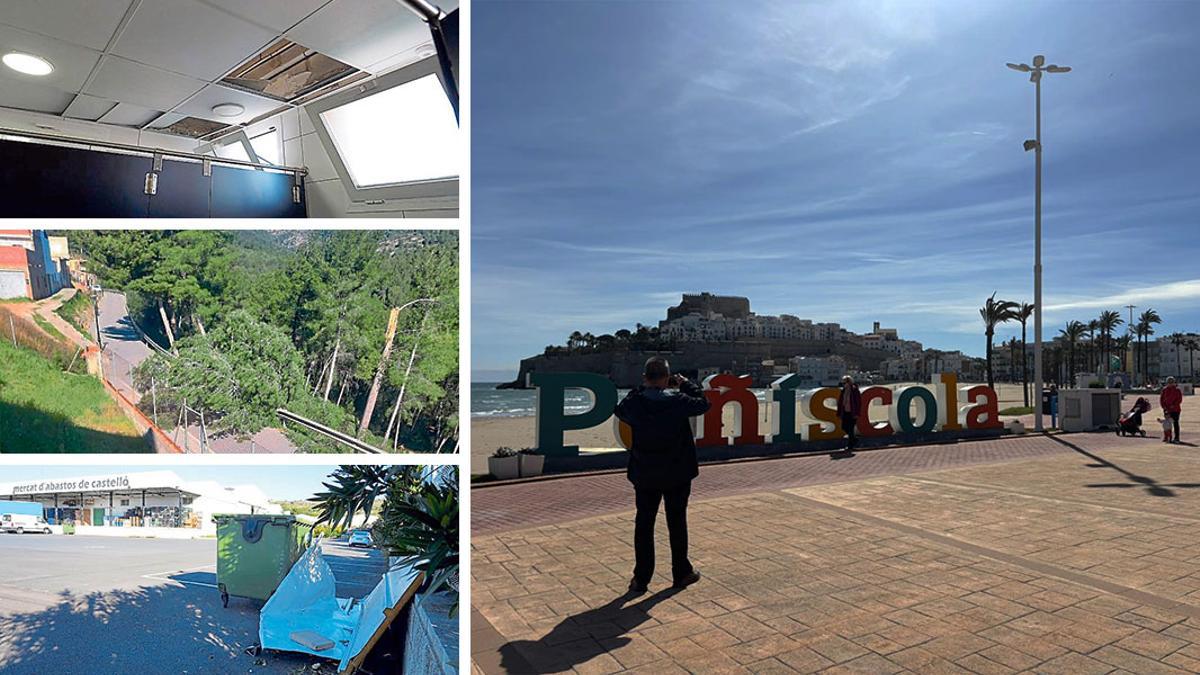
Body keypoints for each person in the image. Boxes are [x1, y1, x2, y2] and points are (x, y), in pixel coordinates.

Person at [614, 357, 711, 594]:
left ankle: (641, 579)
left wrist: (643, 387)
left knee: (644, 524)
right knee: (677, 522)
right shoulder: (678, 400)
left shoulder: (635, 402)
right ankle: (682, 573)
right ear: (667, 378)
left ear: (646, 377)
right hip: (677, 472)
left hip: (645, 472)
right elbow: (703, 403)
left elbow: (620, 410)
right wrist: (686, 384)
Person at [835, 375, 862, 451]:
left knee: (850, 429)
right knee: (844, 427)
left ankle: (850, 446)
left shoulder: (854, 390)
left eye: (845, 382)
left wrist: (857, 413)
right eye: (843, 382)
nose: (843, 384)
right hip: (845, 412)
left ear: (849, 382)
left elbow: (858, 402)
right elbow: (841, 402)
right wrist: (839, 412)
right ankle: (854, 439)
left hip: (852, 412)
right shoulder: (843, 390)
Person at [1160, 376, 1182, 443]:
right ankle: (1167, 436)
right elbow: (1161, 399)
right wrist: (1164, 407)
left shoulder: (1177, 390)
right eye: (1169, 382)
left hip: (1175, 410)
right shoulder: (1164, 390)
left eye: (1171, 382)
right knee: (1167, 424)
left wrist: (1173, 405)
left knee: (1175, 423)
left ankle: (1177, 438)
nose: (1170, 384)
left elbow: (1179, 400)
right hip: (1167, 409)